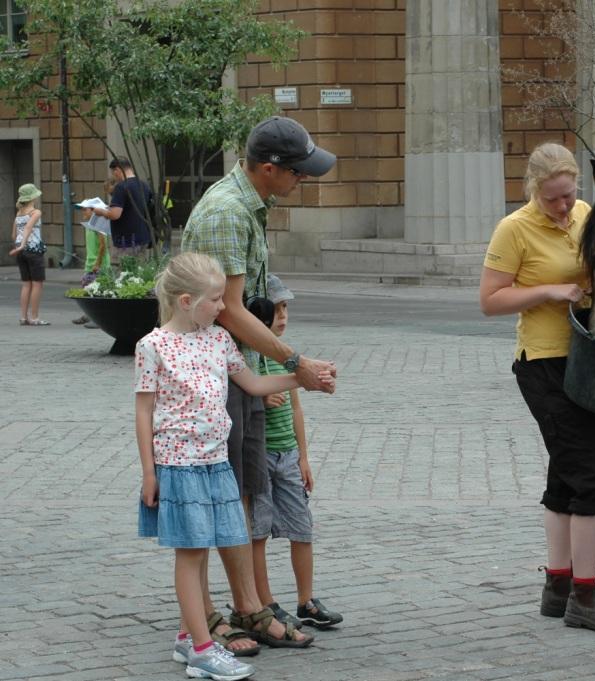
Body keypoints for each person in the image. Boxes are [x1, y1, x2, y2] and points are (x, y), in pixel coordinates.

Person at [135, 253, 334, 679]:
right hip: (180, 466)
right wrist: (149, 472)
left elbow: (254, 384)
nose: (224, 308)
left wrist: (304, 378)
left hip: (216, 463)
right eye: (216, 300)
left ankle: (189, 639)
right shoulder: (152, 346)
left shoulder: (219, 341)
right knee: (191, 555)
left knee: (209, 545)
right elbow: (144, 412)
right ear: (186, 301)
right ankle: (203, 650)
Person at [182, 115, 337, 650]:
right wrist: (296, 362)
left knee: (241, 493)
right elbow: (228, 311)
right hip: (214, 377)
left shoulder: (248, 204)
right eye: (299, 174)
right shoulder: (229, 213)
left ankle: (246, 607)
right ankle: (223, 613)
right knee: (222, 494)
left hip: (234, 369)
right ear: (269, 169)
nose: (303, 182)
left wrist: (290, 366)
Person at [479, 142, 595, 633]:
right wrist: (548, 290)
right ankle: (586, 598)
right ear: (533, 190)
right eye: (553, 199)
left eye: (568, 196)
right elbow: (490, 300)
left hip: (587, 360)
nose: (563, 207)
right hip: (543, 364)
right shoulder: (514, 229)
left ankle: (559, 585)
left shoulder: (587, 214)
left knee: (567, 476)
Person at [251, 275, 344, 631]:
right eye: (275, 309)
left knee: (301, 527)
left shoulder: (289, 359)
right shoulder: (251, 357)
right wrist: (258, 398)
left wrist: (303, 456)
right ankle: (265, 602)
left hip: (286, 455)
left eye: (286, 307)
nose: (282, 315)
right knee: (257, 531)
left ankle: (306, 600)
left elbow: (295, 409)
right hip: (258, 454)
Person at [90, 157, 153, 255]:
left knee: (127, 269)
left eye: (113, 172)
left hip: (127, 240)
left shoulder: (121, 187)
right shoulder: (144, 185)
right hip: (143, 237)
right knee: (140, 269)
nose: (114, 176)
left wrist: (101, 212)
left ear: (117, 170)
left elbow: (115, 215)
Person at [73, 180, 114, 327]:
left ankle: (97, 318)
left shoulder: (99, 224)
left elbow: (103, 245)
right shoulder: (89, 225)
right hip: (90, 263)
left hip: (99, 264)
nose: (83, 212)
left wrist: (97, 263)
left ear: (93, 210)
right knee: (88, 289)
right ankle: (89, 315)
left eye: (86, 209)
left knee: (98, 291)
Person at [9, 183, 48, 326]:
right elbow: (28, 227)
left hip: (21, 252)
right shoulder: (35, 212)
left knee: (26, 284)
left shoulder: (18, 214)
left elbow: (14, 235)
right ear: (33, 197)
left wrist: (20, 246)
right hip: (33, 251)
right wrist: (26, 243)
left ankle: (23, 317)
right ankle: (35, 317)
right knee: (37, 284)